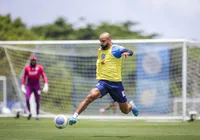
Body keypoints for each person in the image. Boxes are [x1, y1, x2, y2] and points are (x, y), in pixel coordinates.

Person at [69, 32, 139, 125]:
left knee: (125, 110)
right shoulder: (100, 50)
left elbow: (129, 51)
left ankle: (131, 106)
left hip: (116, 84)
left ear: (109, 39)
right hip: (103, 83)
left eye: (103, 41)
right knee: (90, 96)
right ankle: (74, 116)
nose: (101, 43)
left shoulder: (116, 49)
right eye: (100, 41)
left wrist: (127, 53)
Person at [21, 56, 49, 120]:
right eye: (32, 60)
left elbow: (43, 75)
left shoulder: (39, 67)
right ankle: (30, 112)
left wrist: (46, 83)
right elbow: (24, 77)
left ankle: (37, 114)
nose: (33, 61)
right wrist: (22, 85)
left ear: (36, 61)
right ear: (30, 61)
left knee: (37, 101)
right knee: (27, 99)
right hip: (29, 86)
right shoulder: (27, 68)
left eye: (34, 60)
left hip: (37, 86)